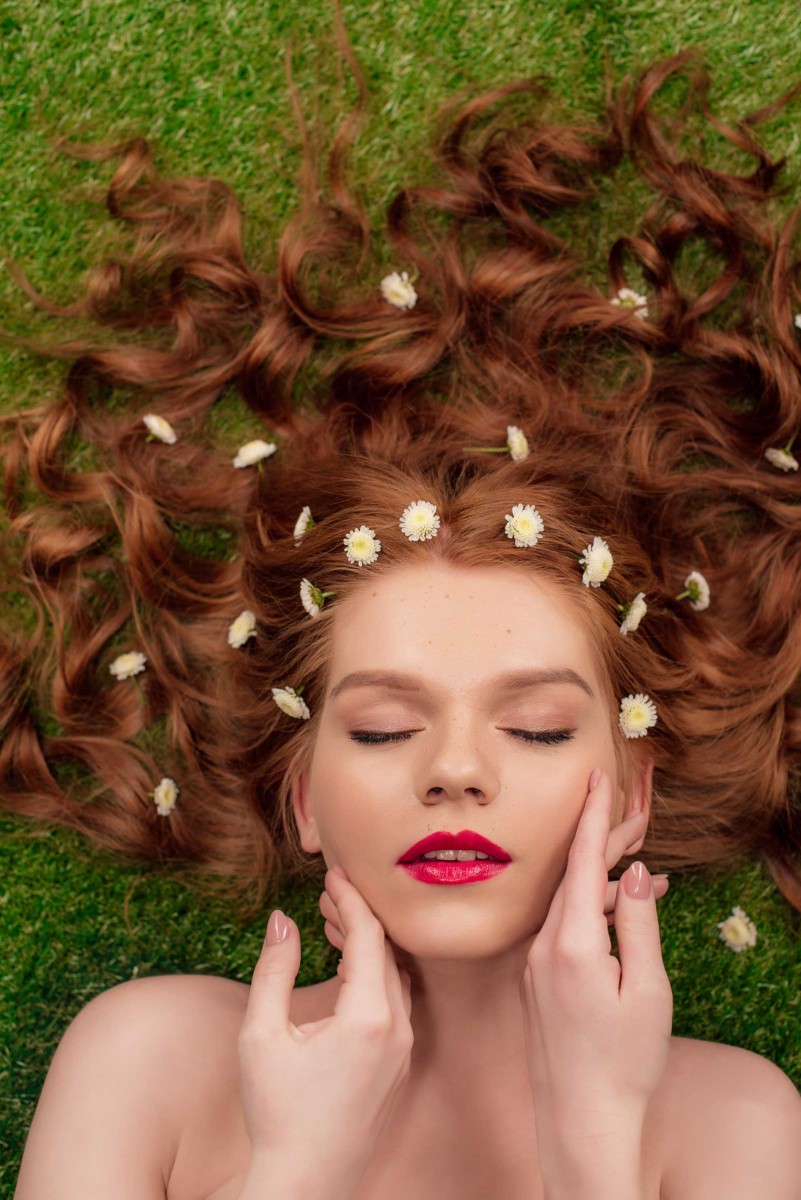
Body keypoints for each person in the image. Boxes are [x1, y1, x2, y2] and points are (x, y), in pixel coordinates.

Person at [4, 17, 801, 1198]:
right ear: (301, 794)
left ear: (631, 794)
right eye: (382, 728)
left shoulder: (734, 1122)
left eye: (535, 726)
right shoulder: (152, 1060)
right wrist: (298, 1162)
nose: (456, 773)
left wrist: (595, 1129)